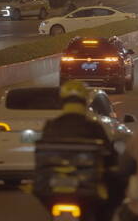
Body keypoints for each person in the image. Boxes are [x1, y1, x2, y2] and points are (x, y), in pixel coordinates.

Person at [37, 80, 123, 221]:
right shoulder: (94, 127)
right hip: (88, 187)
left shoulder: (51, 126)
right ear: (84, 101)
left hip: (54, 187)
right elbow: (110, 155)